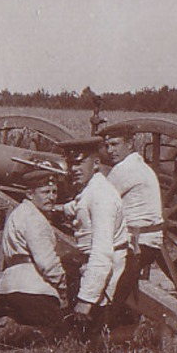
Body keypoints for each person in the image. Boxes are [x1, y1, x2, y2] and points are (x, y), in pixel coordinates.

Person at [0, 166, 70, 347]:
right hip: (31, 289)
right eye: (45, 192)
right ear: (30, 194)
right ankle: (16, 332)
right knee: (61, 331)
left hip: (8, 288)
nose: (51, 196)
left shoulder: (19, 213)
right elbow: (46, 263)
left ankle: (11, 323)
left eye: (54, 192)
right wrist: (63, 287)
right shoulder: (35, 219)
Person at [59, 136, 130, 339]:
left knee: (93, 342)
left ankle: (145, 334)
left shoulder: (101, 196)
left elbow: (102, 252)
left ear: (96, 163)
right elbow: (79, 205)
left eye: (80, 162)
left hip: (107, 272)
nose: (74, 168)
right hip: (93, 266)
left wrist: (86, 300)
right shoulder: (92, 189)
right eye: (71, 163)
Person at [100, 123, 164, 319]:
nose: (110, 150)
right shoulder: (139, 166)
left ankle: (102, 324)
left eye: (115, 144)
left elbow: (100, 200)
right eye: (108, 145)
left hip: (136, 244)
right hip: (148, 242)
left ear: (130, 144)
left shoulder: (124, 169)